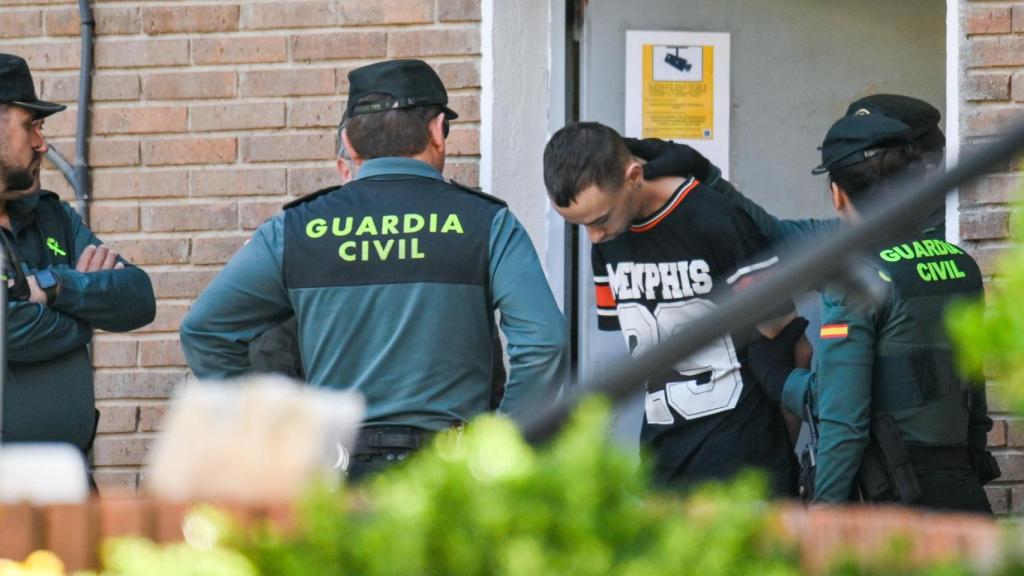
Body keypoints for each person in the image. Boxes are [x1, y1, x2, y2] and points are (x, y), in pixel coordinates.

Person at [180, 59, 567, 480]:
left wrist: (272, 435)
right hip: (452, 478)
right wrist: (501, 444)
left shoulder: (293, 230)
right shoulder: (488, 223)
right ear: (438, 130)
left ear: (349, 142)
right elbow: (544, 342)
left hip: (336, 477)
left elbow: (205, 331)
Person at [745, 113, 995, 511]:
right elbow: (972, 393)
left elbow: (843, 419)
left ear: (837, 195)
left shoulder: (857, 277)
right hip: (962, 493)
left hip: (892, 505)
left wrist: (826, 512)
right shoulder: (962, 265)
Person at [543, 121, 798, 494]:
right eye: (580, 225)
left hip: (741, 453)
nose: (593, 237)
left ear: (634, 177)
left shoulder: (714, 219)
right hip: (661, 456)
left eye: (599, 220)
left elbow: (787, 339)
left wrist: (783, 452)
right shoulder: (608, 241)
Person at [0, 53, 156, 455]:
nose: (42, 143)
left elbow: (138, 297)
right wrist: (85, 320)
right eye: (30, 126)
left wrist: (55, 285)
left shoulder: (52, 216)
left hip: (70, 476)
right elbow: (7, 330)